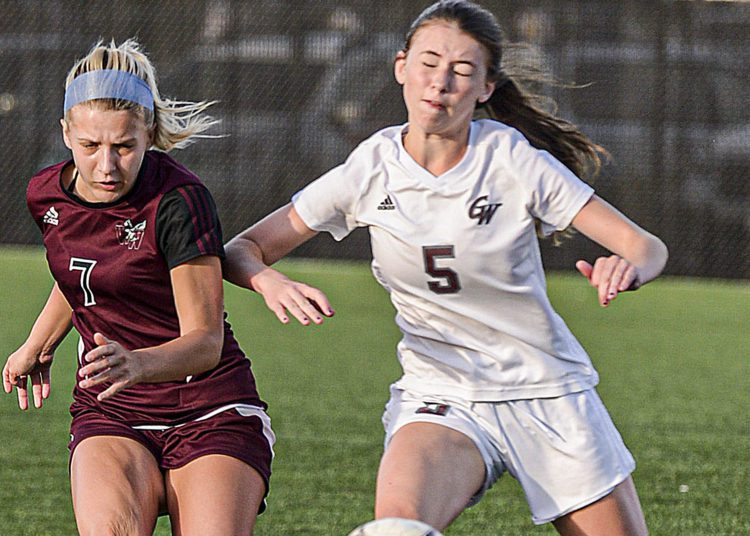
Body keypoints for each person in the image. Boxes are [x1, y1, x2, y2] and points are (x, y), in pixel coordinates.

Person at [223, 1, 667, 534]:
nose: (440, 82)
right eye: (429, 63)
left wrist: (628, 267)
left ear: (485, 88)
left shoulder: (511, 159)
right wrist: (269, 280)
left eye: (461, 70)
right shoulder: (371, 167)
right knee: (397, 530)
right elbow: (243, 249)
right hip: (442, 393)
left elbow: (645, 246)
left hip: (548, 393)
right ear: (401, 68)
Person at [2, 39, 274, 536]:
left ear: (148, 134)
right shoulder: (44, 195)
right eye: (90, 146)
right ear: (66, 132)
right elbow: (82, 273)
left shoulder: (178, 201)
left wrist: (138, 363)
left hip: (208, 409)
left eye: (124, 147)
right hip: (113, 411)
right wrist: (37, 346)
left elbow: (206, 342)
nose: (106, 165)